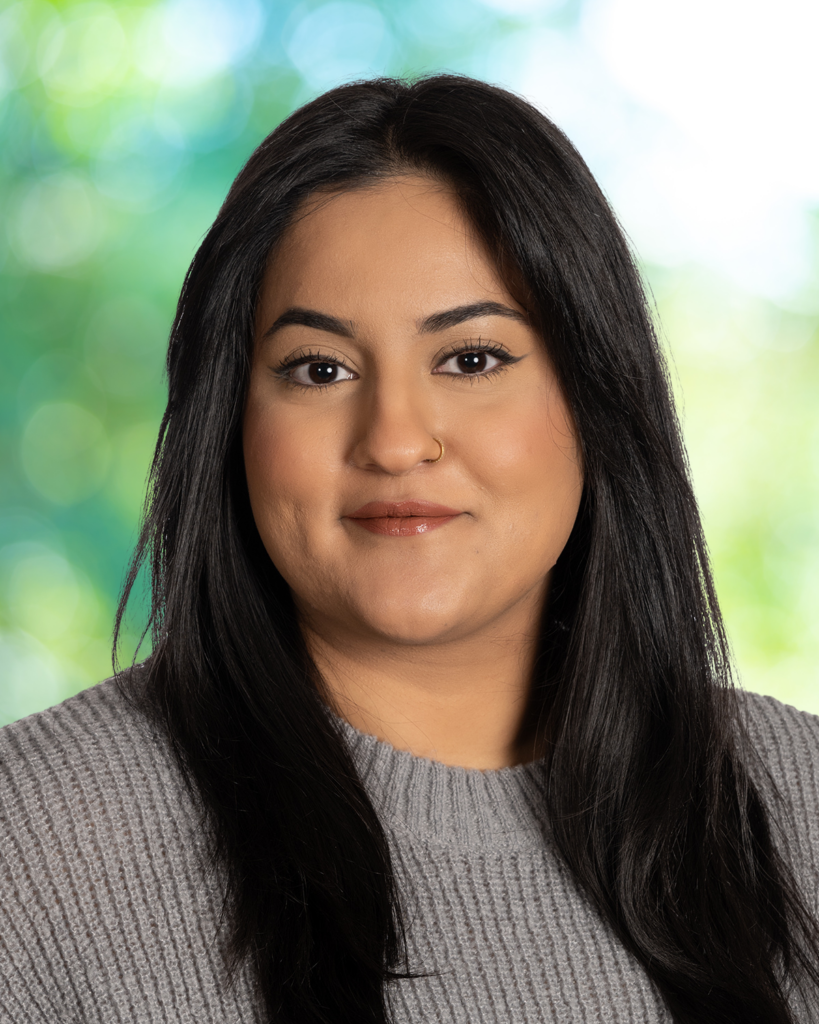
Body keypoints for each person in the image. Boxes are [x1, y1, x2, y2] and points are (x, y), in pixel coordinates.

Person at [1, 75, 817, 1024]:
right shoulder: (32, 847)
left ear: (597, 398)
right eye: (320, 369)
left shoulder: (797, 804)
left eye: (471, 359)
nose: (393, 439)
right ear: (231, 421)